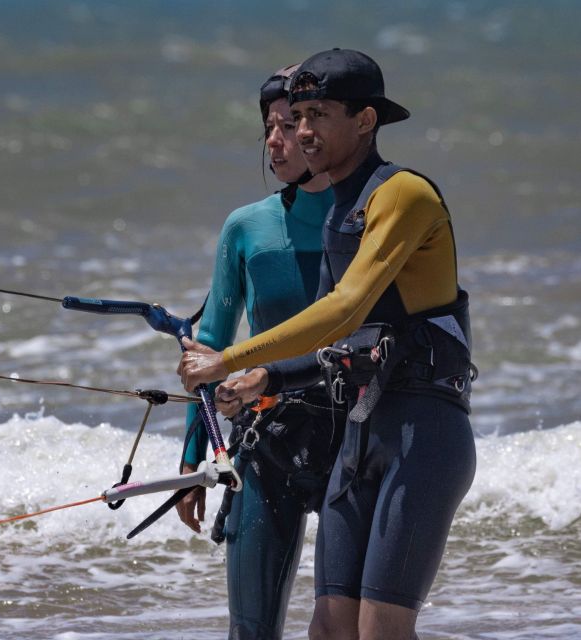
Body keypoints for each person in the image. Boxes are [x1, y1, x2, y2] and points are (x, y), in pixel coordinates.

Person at [177, 49, 477, 640]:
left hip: (422, 436)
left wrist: (232, 359)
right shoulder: (341, 209)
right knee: (331, 630)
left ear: (365, 121)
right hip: (360, 434)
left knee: (379, 632)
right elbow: (336, 342)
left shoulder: (403, 193)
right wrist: (270, 380)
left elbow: (345, 308)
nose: (303, 130)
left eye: (318, 115)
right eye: (298, 114)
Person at [177, 63, 339, 640]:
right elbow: (212, 349)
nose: (275, 140)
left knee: (352, 626)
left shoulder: (369, 219)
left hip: (356, 441)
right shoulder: (246, 228)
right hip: (266, 441)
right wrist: (195, 459)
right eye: (268, 126)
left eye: (290, 124)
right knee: (250, 632)